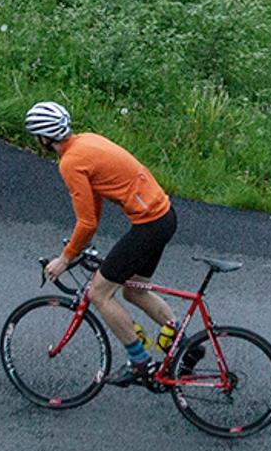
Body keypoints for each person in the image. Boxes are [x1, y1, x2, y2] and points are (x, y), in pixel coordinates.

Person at [26, 100, 180, 386]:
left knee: (99, 293)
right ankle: (184, 345)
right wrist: (79, 246)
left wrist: (65, 258)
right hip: (164, 217)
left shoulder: (70, 162)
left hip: (148, 224)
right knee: (134, 291)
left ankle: (139, 362)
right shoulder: (85, 141)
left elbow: (87, 222)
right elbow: (93, 207)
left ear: (44, 137)